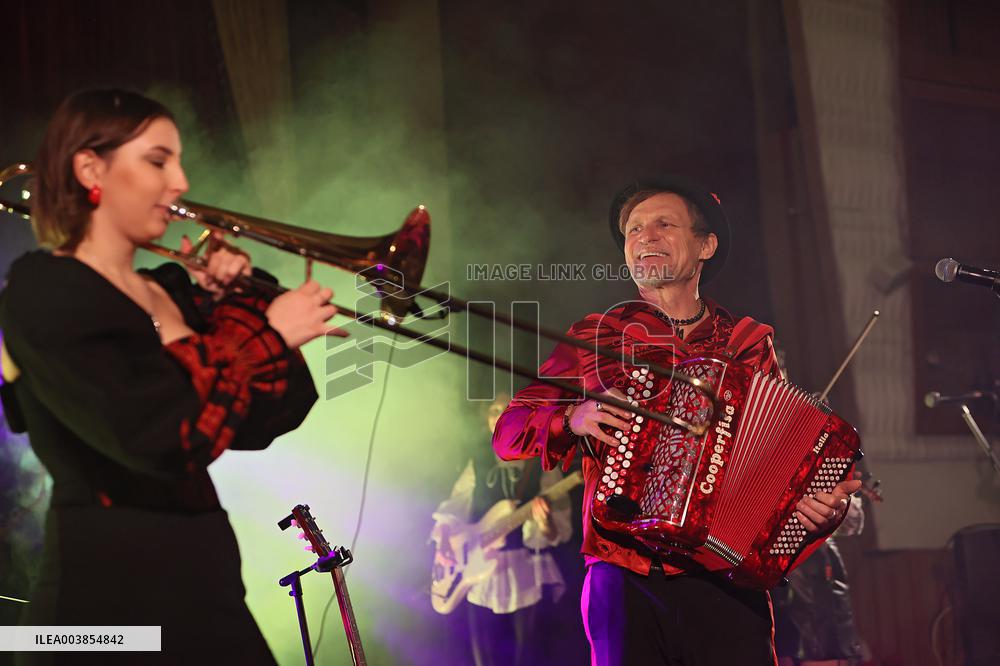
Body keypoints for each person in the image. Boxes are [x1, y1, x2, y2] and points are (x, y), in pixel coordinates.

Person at [0, 89, 340, 665]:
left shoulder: (168, 290)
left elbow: (263, 419)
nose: (180, 181)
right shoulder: (42, 290)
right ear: (90, 169)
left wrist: (236, 304)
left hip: (203, 579)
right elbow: (167, 439)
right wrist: (264, 335)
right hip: (106, 603)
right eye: (158, 161)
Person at [492, 177, 862, 665]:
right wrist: (572, 417)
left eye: (663, 224)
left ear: (705, 245)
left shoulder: (747, 342)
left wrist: (817, 513)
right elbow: (509, 433)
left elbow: (778, 460)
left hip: (726, 580)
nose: (644, 237)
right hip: (624, 574)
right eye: (633, 230)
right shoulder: (596, 336)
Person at [431, 395, 574, 666]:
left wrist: (544, 522)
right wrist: (448, 534)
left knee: (528, 656)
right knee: (485, 657)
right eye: (494, 410)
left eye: (507, 409)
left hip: (526, 569)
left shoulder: (541, 460)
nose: (499, 414)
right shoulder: (478, 462)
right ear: (487, 420)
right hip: (479, 570)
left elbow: (559, 531)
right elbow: (454, 506)